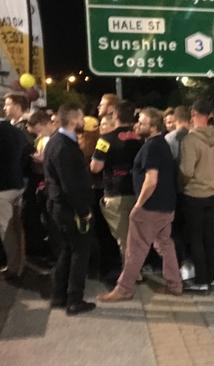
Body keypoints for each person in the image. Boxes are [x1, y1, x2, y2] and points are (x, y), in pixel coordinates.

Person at [98, 107, 182, 302]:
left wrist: (139, 205)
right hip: (166, 205)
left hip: (151, 207)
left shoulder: (152, 147)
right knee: (164, 245)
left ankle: (124, 288)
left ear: (153, 127)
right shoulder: (161, 144)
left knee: (135, 249)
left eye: (142, 123)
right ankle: (175, 284)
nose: (137, 125)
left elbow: (151, 180)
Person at [43, 103, 96, 315]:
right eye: (81, 117)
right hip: (70, 209)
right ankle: (75, 299)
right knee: (79, 252)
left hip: (61, 207)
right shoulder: (64, 147)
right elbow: (70, 185)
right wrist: (83, 211)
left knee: (67, 250)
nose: (84, 121)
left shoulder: (57, 142)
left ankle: (58, 295)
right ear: (74, 120)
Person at [179, 99, 214, 292]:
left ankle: (201, 280)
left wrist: (182, 184)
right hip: (213, 192)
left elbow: (186, 171)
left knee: (196, 237)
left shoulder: (190, 140)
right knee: (210, 235)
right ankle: (212, 275)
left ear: (194, 115)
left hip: (194, 193)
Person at [90, 101, 142, 264]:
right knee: (137, 234)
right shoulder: (141, 138)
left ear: (116, 116)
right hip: (138, 190)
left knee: (124, 237)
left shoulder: (105, 139)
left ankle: (131, 273)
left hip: (116, 192)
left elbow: (96, 167)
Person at [0, 115, 30, 278]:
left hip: (2, 187)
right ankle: (21, 263)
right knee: (18, 227)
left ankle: (13, 267)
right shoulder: (17, 131)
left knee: (6, 229)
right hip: (18, 183)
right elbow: (26, 155)